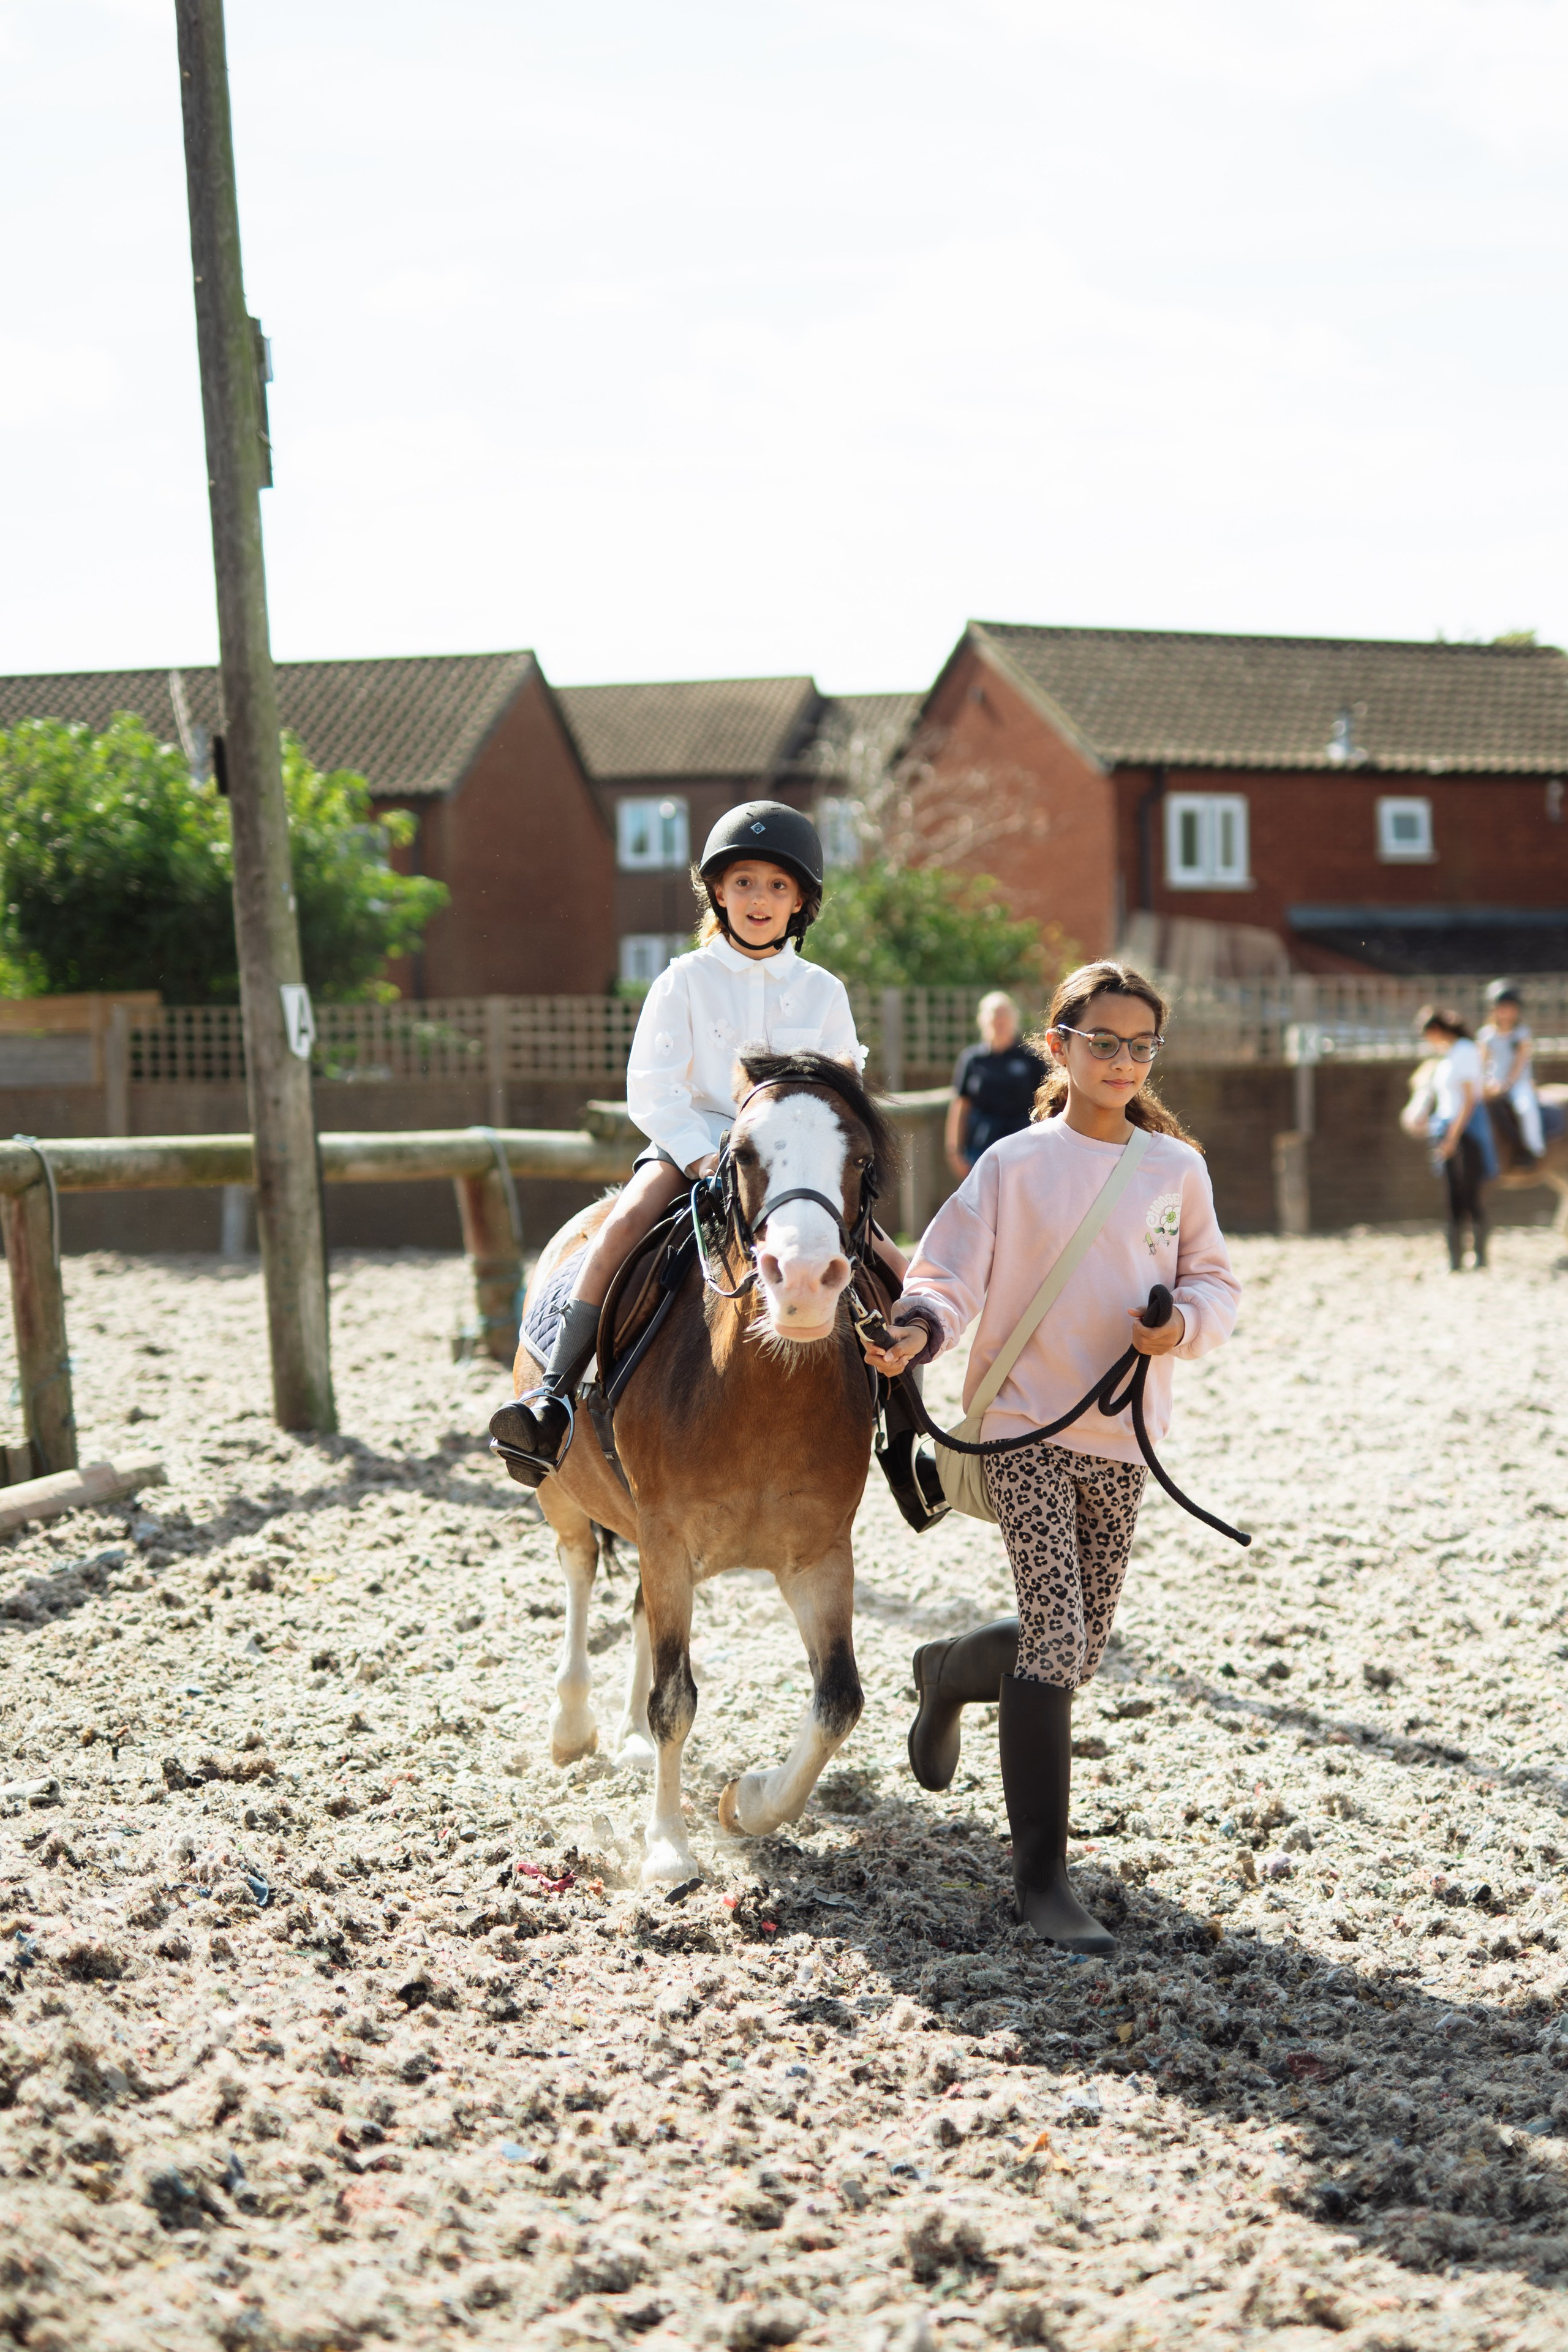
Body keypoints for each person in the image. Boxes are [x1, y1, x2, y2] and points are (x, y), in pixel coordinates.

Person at [861, 961, 1240, 1954]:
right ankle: (1043, 1881)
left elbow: (1217, 1286)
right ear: (1058, 1045)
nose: (1122, 1060)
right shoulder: (1013, 1165)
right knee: (1057, 1641)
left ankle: (946, 1672)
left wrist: (1182, 1326)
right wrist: (914, 1334)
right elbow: (945, 1275)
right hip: (1024, 1425)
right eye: (1103, 1041)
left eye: (1140, 1045)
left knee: (1071, 1641)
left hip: (1126, 1436)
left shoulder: (1176, 1171)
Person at [490, 802, 870, 1472]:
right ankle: (552, 1399)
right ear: (718, 893)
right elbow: (654, 1087)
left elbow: (843, 1090)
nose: (760, 898)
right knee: (625, 1220)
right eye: (745, 882)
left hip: (794, 1161)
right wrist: (705, 1159)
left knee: (881, 1256)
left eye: (778, 886)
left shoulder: (823, 991)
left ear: (801, 904)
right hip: (691, 1146)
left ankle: (906, 1436)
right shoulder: (682, 980)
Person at [1414, 1006, 1496, 1272]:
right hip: (1447, 1129)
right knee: (1452, 1196)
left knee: (1470, 1195)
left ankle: (1480, 1258)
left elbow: (1469, 1099)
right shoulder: (1448, 1054)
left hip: (1465, 1132)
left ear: (1436, 1031)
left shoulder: (1463, 1051)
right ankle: (1455, 1259)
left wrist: (1452, 1137)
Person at [946, 993, 1049, 1180]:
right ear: (982, 1020)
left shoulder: (1031, 1059)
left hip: (1023, 1144)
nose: (998, 1020)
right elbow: (961, 1105)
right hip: (982, 1145)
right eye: (994, 1014)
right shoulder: (972, 1059)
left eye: (1004, 1015)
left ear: (1014, 1019)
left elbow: (1047, 1101)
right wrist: (954, 1151)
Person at [1477, 981, 1544, 1163]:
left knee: (1525, 1108)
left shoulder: (1522, 1033)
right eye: (1501, 1008)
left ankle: (1533, 1149)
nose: (1505, 1012)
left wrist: (1507, 1084)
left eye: (1509, 1008)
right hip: (1494, 1081)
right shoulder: (1487, 1035)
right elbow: (1482, 1062)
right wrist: (1484, 1083)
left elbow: (1520, 1063)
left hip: (1518, 1082)